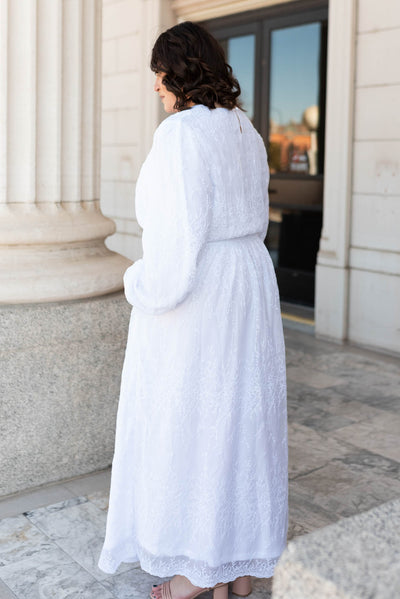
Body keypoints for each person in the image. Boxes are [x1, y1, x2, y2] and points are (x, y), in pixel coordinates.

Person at [98, 21, 288, 599]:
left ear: (177, 69)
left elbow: (178, 247)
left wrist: (137, 282)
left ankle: (192, 572)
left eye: (160, 70)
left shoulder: (181, 135)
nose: (155, 84)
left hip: (202, 293)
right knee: (239, 424)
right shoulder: (244, 128)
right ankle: (236, 567)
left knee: (193, 425)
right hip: (249, 284)